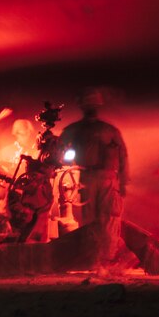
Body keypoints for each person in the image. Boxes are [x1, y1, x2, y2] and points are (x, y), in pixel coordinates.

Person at [59, 87, 129, 272]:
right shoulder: (108, 130)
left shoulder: (74, 130)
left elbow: (122, 157)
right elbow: (123, 157)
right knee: (99, 220)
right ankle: (100, 261)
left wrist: (123, 182)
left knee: (100, 220)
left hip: (96, 178)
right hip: (98, 179)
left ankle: (101, 261)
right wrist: (123, 183)